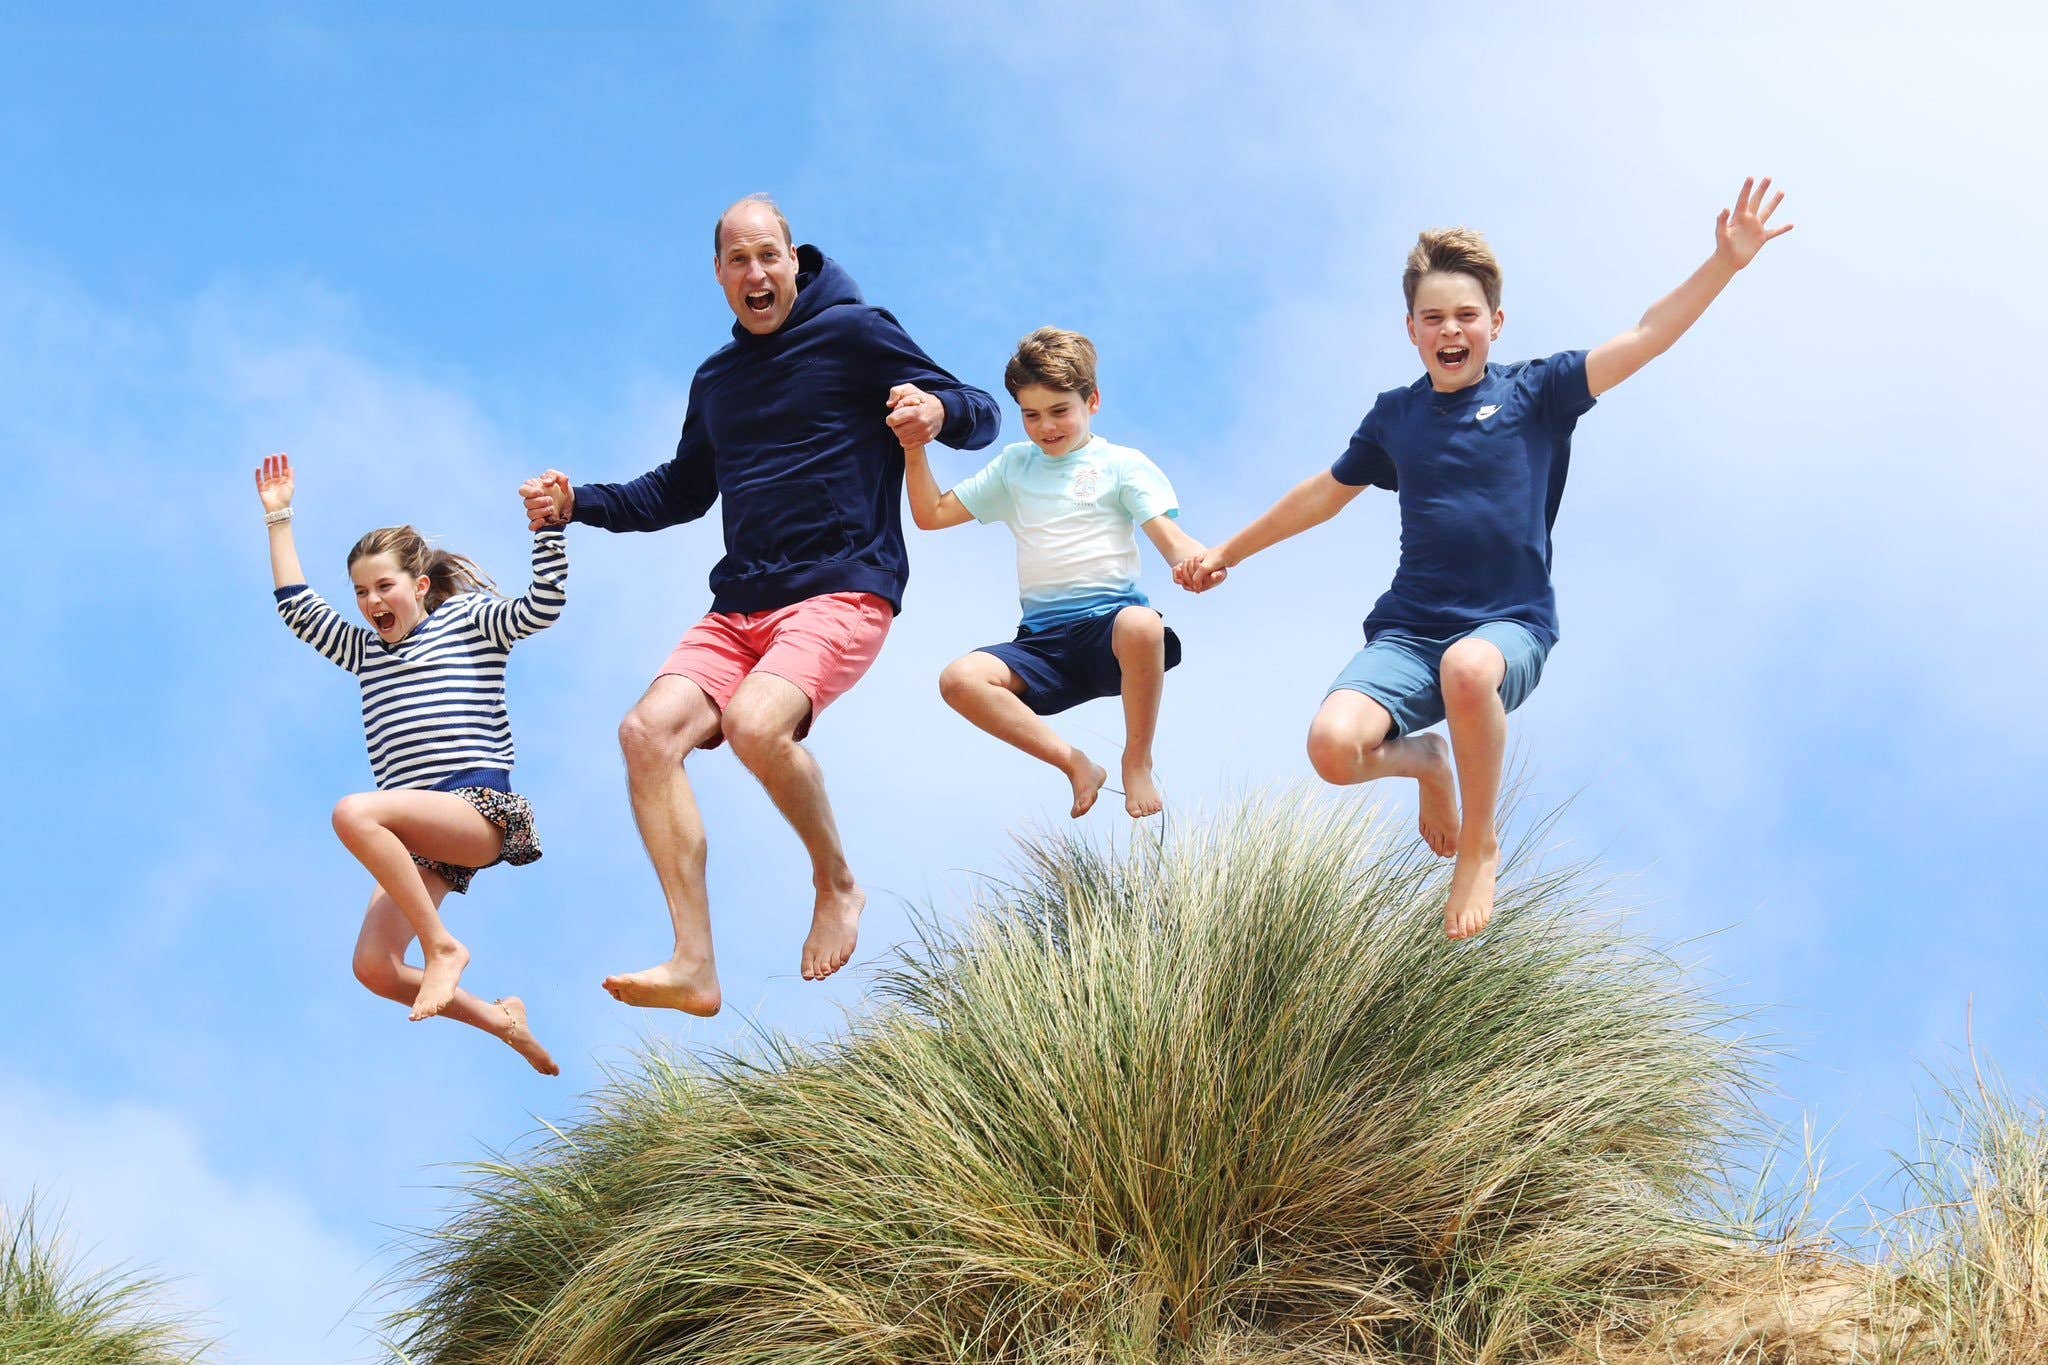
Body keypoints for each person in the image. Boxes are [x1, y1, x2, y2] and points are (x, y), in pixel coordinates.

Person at [1179, 178, 1793, 940]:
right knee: (1333, 748)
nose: (1451, 329)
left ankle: (1481, 841)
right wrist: (1227, 552)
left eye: (1466, 315)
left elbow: (1647, 334)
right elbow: (1322, 495)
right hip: (1408, 633)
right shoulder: (1395, 416)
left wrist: (1724, 265)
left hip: (1509, 626)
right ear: (1410, 329)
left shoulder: (1540, 392)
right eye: (1433, 317)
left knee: (1468, 668)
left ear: (1494, 323)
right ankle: (1429, 762)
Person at [521, 194, 1000, 1014]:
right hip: (741, 604)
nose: (755, 273)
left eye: (768, 256)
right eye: (738, 260)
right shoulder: (718, 380)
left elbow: (981, 415)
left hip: (844, 584)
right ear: (718, 275)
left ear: (793, 258)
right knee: (645, 735)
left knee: (753, 722)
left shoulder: (855, 333)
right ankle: (695, 963)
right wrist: (579, 504)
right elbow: (678, 490)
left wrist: (935, 409)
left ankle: (837, 882)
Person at [257, 452, 566, 1074]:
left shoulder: (465, 622)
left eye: (385, 586)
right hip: (419, 835)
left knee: (354, 813)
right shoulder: (365, 650)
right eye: (361, 591)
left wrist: (550, 531)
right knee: (373, 967)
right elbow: (296, 606)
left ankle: (443, 948)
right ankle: (502, 1020)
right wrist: (280, 518)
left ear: (419, 586)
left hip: (477, 809)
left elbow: (541, 609)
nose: (371, 600)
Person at [903, 327, 1206, 819]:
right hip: (1042, 645)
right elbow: (931, 515)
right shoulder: (1014, 467)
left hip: (1111, 634)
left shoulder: (1122, 464)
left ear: (1093, 401)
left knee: (1142, 622)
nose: (1046, 426)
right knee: (959, 679)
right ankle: (1075, 765)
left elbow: (1171, 539)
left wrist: (1190, 563)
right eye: (1031, 414)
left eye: (1060, 410)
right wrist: (913, 446)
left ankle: (1137, 758)